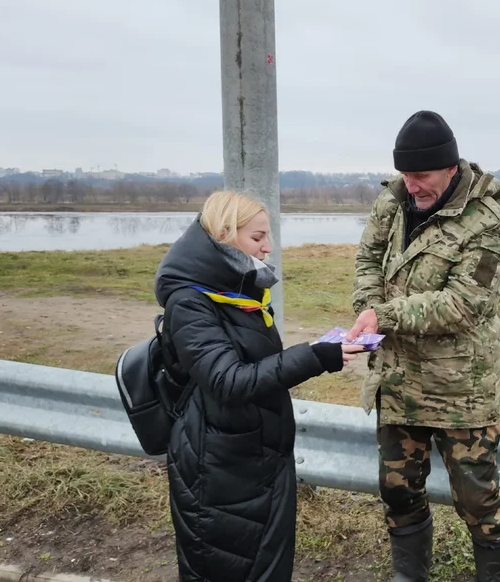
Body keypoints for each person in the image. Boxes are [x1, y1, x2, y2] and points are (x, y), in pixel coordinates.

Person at [347, 110, 500, 581]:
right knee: (398, 490)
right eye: (406, 175)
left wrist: (382, 316)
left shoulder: (487, 221)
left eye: (421, 176)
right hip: (397, 378)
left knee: (477, 499)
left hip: (459, 389)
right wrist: (368, 304)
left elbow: (462, 305)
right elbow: (367, 257)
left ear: (450, 169)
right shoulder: (394, 199)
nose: (413, 185)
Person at [154, 190, 365, 581]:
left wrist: (320, 352)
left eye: (268, 237)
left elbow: (259, 368)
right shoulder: (190, 302)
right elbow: (228, 381)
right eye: (257, 238)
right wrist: (315, 356)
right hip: (219, 470)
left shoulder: (236, 292)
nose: (268, 248)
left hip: (256, 460)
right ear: (222, 233)